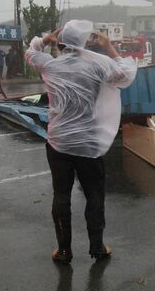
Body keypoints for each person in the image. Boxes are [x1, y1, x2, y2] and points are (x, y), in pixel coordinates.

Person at [25, 20, 137, 264]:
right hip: (89, 142)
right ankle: (97, 247)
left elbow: (31, 52)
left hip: (59, 143)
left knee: (61, 194)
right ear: (84, 43)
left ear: (61, 42)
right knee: (94, 195)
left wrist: (45, 39)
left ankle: (64, 250)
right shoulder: (97, 68)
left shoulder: (50, 66)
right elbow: (126, 74)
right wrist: (108, 46)